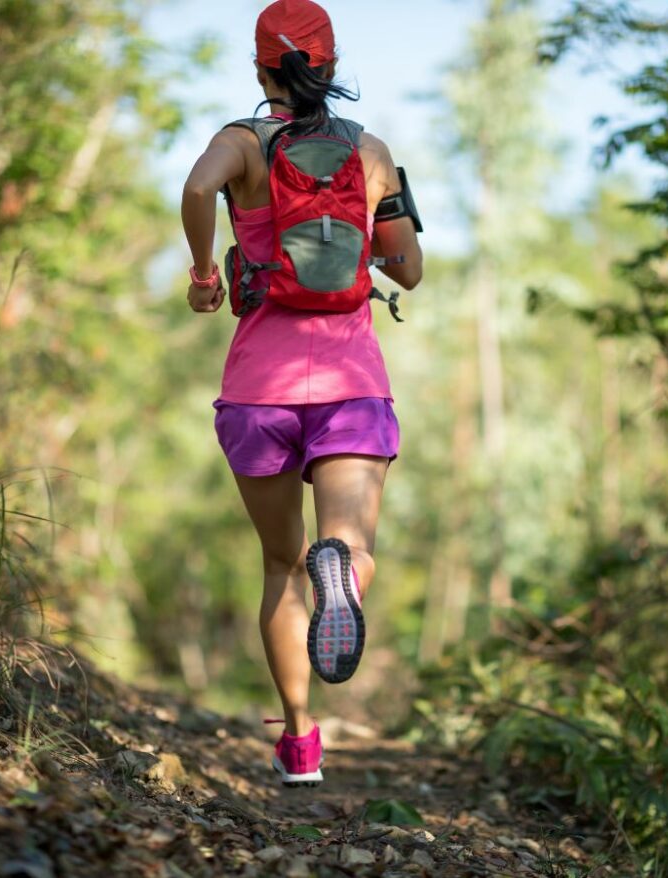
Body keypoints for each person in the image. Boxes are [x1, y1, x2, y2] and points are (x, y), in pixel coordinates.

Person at [180, 0, 422, 787]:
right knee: (347, 549)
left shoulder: (242, 142)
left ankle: (300, 741)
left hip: (258, 389)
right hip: (350, 380)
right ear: (330, 65)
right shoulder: (371, 151)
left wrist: (206, 272)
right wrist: (360, 251)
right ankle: (342, 573)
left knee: (281, 565)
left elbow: (194, 188)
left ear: (261, 69)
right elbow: (409, 269)